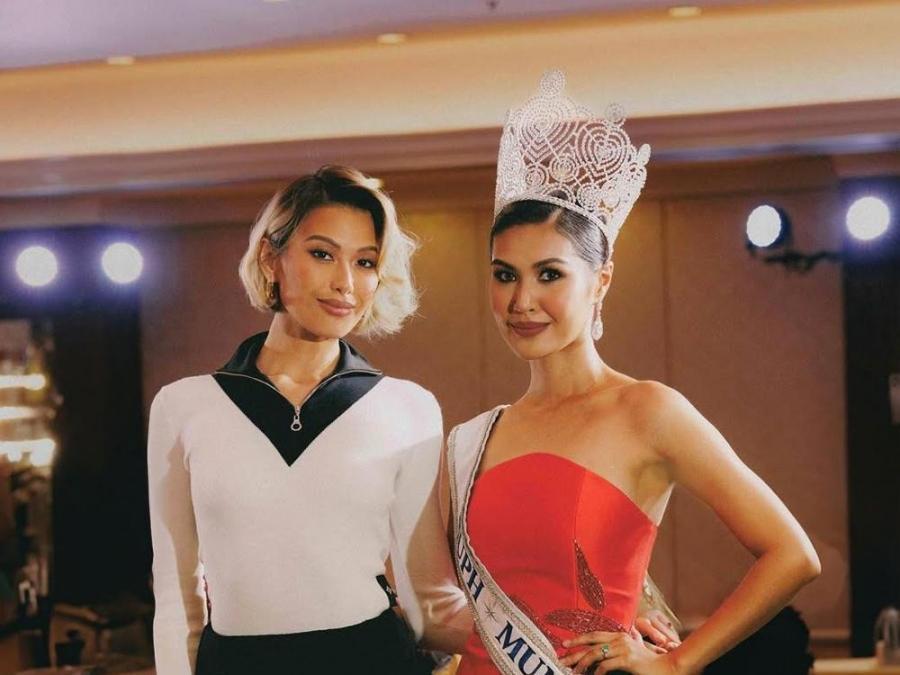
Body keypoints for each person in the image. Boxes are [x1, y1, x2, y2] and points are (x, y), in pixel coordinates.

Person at [445, 71, 821, 675]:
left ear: (601, 282)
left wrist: (677, 663)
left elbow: (792, 555)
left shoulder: (648, 411)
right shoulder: (479, 436)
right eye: (504, 274)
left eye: (549, 274)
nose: (521, 301)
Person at [147, 165, 470, 674]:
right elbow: (175, 597)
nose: (345, 283)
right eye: (322, 254)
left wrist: (551, 642)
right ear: (270, 258)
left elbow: (429, 601)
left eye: (365, 262)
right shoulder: (183, 406)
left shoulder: (408, 408)